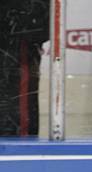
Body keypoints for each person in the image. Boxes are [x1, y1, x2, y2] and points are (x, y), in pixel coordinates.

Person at [0, 0, 50, 136]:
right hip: (16, 34)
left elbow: (40, 25)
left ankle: (18, 149)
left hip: (16, 40)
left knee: (13, 123)